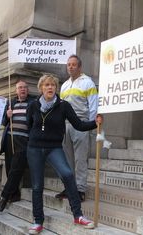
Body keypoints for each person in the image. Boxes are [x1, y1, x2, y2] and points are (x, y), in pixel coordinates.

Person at [26, 74, 102, 234]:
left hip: (54, 147)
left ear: (56, 88)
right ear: (41, 88)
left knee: (67, 174)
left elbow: (79, 125)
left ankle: (78, 215)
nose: (50, 87)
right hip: (34, 149)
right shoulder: (33, 105)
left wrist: (95, 123)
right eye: (46, 85)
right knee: (37, 185)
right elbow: (29, 125)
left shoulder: (63, 105)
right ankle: (38, 220)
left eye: (52, 85)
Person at [57, 54, 98, 201]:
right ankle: (69, 187)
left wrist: (91, 126)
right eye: (68, 64)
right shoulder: (64, 85)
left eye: (73, 64)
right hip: (66, 125)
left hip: (81, 123)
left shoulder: (88, 83)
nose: (70, 67)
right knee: (67, 159)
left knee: (80, 159)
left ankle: (80, 189)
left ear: (79, 66)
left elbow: (93, 106)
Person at [0, 80, 35, 211]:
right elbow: (2, 122)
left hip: (24, 139)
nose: (23, 89)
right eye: (20, 88)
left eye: (25, 87)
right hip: (10, 138)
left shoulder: (33, 102)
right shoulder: (10, 103)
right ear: (16, 90)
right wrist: (7, 117)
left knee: (16, 166)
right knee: (9, 167)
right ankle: (14, 194)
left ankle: (4, 196)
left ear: (28, 90)